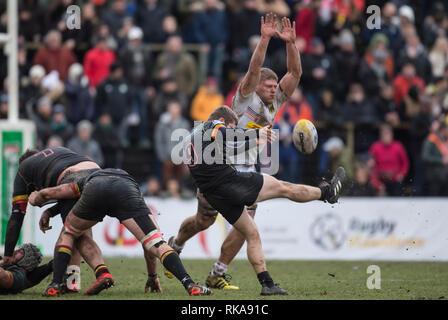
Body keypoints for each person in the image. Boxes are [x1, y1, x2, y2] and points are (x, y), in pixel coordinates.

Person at [167, 14, 303, 291]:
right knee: (203, 221)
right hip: (219, 168)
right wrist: (265, 39)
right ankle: (176, 245)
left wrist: (291, 44)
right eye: (268, 85)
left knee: (246, 225)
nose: (273, 89)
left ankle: (218, 271)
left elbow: (296, 74)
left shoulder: (275, 102)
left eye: (274, 86)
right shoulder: (244, 98)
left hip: (247, 171)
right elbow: (254, 70)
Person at [182, 106, 346, 295]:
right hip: (230, 182)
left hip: (215, 195)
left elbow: (218, 155)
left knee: (251, 232)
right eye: (232, 125)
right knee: (285, 188)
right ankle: (327, 193)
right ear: (222, 120)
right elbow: (226, 133)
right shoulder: (212, 124)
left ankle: (267, 284)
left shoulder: (191, 137)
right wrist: (255, 133)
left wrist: (252, 142)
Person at [28, 168, 213, 297]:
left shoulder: (85, 178)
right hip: (126, 191)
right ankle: (190, 284)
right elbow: (147, 248)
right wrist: (152, 276)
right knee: (156, 243)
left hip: (95, 190)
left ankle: (54, 285)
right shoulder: (127, 180)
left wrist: (39, 199)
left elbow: (55, 193)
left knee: (68, 233)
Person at [2, 147, 111, 295]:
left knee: (71, 235)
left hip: (74, 179)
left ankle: (90, 276)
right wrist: (49, 211)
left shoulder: (25, 169)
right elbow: (66, 194)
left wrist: (8, 255)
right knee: (79, 232)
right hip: (98, 177)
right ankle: (73, 283)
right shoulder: (57, 155)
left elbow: (17, 215)